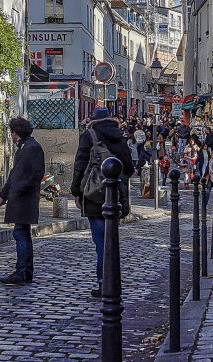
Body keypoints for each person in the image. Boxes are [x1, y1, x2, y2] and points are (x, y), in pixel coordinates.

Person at [71, 107, 134, 298]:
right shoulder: (119, 135)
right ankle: (113, 280)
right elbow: (129, 167)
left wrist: (76, 191)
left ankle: (103, 282)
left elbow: (80, 164)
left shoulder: (89, 135)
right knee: (112, 240)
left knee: (100, 243)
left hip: (93, 195)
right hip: (115, 195)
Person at [0, 117, 46, 285]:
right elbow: (14, 174)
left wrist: (18, 190)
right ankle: (23, 269)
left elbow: (36, 174)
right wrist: (3, 195)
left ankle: (23, 270)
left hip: (25, 199)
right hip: (19, 198)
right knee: (21, 233)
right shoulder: (24, 148)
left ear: (15, 133)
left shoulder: (32, 148)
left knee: (21, 233)